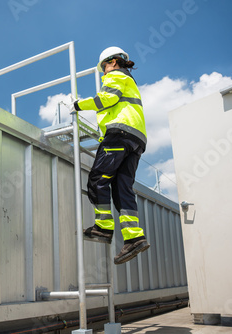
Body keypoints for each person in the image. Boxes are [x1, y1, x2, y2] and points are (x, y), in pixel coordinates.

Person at [73, 46, 149, 265]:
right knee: (121, 188)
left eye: (104, 67)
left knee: (98, 180)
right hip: (136, 139)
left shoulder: (115, 76)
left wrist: (78, 105)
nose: (103, 73)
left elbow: (106, 99)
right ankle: (134, 237)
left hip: (119, 132)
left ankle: (103, 228)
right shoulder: (130, 81)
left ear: (113, 62)